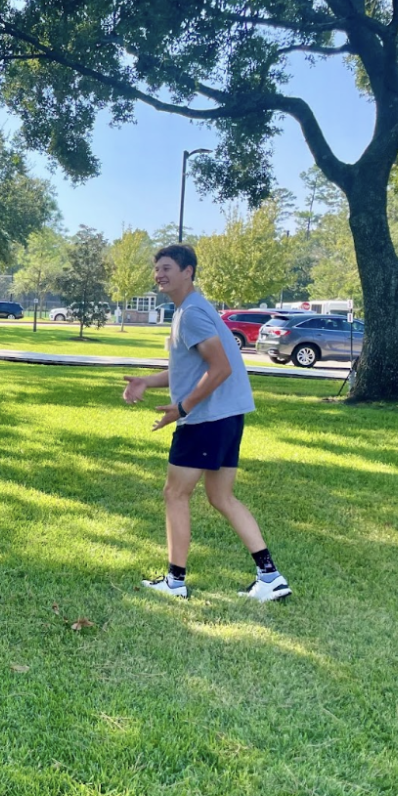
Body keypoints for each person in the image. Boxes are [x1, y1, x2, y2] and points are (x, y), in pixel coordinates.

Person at [121, 244, 290, 603]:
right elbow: (191, 368)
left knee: (175, 493)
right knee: (220, 496)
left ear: (188, 271)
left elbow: (221, 368)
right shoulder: (192, 311)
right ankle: (270, 576)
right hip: (226, 416)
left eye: (167, 267)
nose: (159, 274)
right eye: (157, 269)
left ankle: (175, 581)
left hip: (207, 419)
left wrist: (183, 408)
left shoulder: (193, 313)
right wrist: (146, 382)